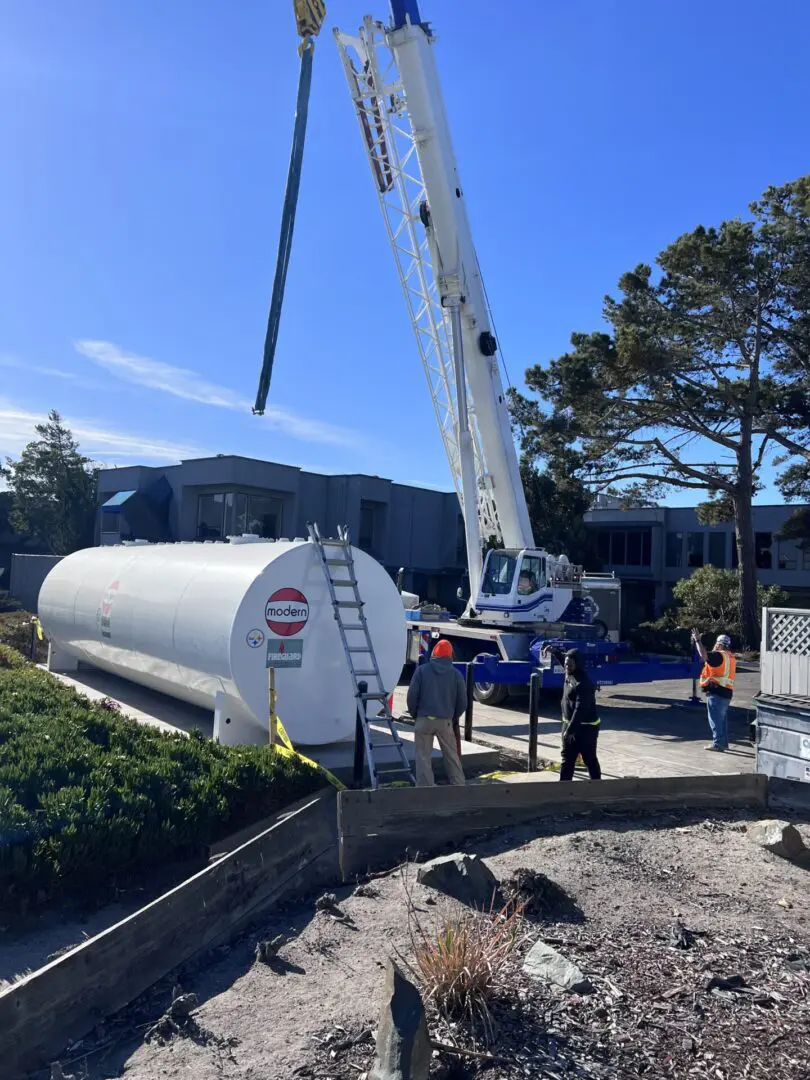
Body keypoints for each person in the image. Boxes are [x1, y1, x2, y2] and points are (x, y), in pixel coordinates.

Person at [406, 639, 467, 787]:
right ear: (450, 655)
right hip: (445, 721)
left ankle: (425, 789)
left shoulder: (421, 670)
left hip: (423, 719)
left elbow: (411, 697)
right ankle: (459, 786)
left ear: (434, 653)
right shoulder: (456, 674)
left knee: (423, 757)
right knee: (451, 756)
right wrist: (452, 718)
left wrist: (416, 715)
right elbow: (462, 702)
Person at [542, 645, 602, 781]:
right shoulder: (570, 672)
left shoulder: (583, 684)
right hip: (569, 725)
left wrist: (570, 731)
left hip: (587, 728)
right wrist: (555, 651)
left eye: (570, 665)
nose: (566, 667)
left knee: (589, 758)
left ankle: (597, 786)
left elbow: (580, 709)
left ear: (578, 664)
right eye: (566, 664)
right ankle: (564, 787)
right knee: (567, 758)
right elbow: (565, 659)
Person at [691, 629, 736, 752]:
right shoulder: (730, 657)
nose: (715, 645)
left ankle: (718, 744)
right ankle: (723, 743)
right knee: (721, 720)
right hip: (726, 692)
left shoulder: (718, 656)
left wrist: (697, 640)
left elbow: (703, 655)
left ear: (720, 644)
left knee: (715, 720)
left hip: (717, 693)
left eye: (717, 643)